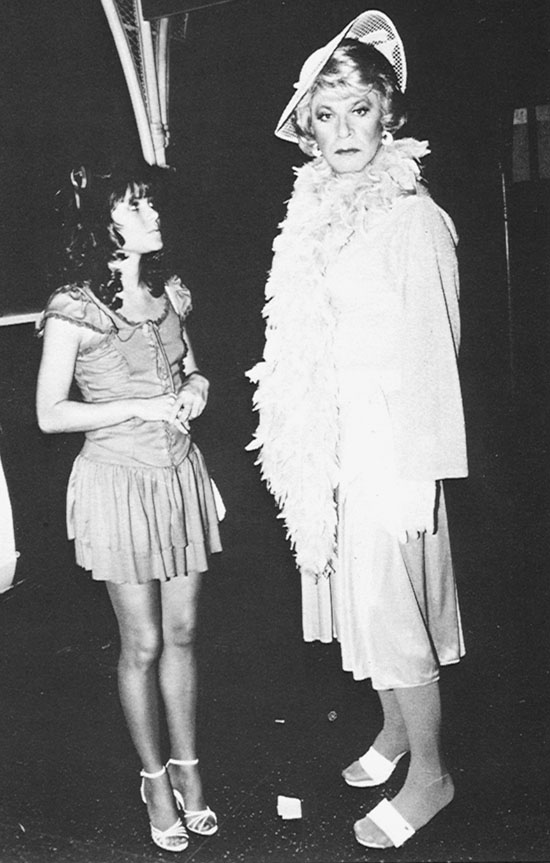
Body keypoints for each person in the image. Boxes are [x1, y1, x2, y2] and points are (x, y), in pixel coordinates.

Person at [247, 10, 468, 850]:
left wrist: (418, 471)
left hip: (390, 442)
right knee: (359, 602)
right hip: (332, 436)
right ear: (308, 128)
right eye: (326, 114)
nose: (344, 130)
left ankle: (432, 773)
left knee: (391, 606)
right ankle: (396, 730)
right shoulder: (315, 207)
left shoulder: (413, 216)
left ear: (388, 116)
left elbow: (438, 354)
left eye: (360, 110)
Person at [36, 163, 223, 853]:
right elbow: (50, 414)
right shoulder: (74, 307)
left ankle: (189, 767)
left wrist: (197, 388)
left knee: (183, 632)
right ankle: (153, 779)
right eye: (137, 206)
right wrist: (140, 405)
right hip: (117, 484)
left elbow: (191, 368)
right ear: (102, 223)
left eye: (150, 204)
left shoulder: (168, 293)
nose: (154, 214)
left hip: (179, 478)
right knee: (141, 642)